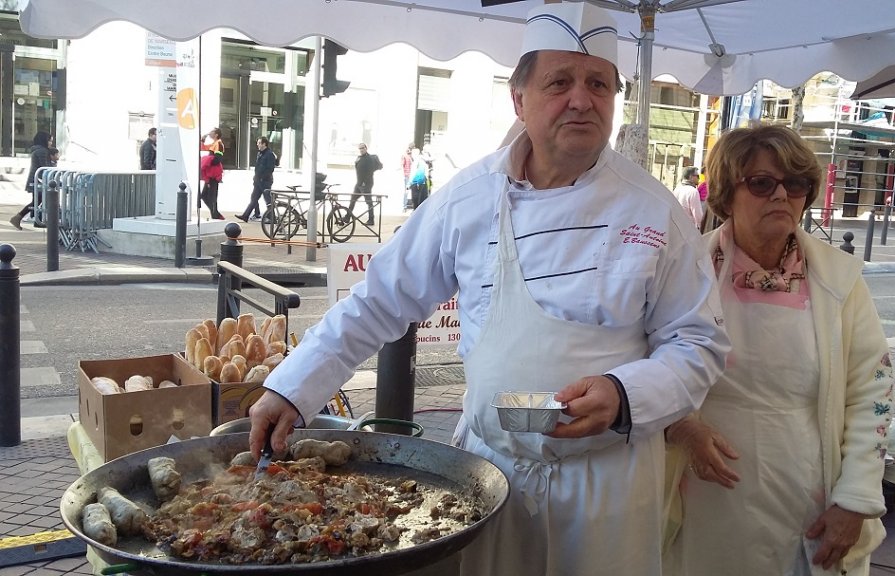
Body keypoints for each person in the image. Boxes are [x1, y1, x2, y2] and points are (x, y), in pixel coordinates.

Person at [247, 3, 729, 575]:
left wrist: (626, 393)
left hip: (608, 485)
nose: (582, 98)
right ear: (518, 99)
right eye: (560, 82)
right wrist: (293, 389)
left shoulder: (655, 211)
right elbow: (377, 301)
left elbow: (698, 343)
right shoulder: (468, 198)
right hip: (489, 471)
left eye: (598, 83)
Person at [663, 124, 892, 575]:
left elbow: (873, 391)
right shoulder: (683, 273)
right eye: (762, 183)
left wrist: (855, 499)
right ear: (727, 194)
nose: (781, 196)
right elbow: (648, 364)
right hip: (708, 499)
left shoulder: (839, 283)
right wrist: (682, 427)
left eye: (796, 184)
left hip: (808, 498)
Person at [9, 131, 53, 230]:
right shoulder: (42, 151)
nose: (51, 143)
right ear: (45, 140)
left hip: (36, 180)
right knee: (38, 201)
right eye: (50, 141)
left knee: (37, 201)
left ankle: (33, 219)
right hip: (39, 181)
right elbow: (45, 167)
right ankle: (20, 217)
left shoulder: (38, 150)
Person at [237, 136, 277, 223]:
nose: (257, 145)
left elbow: (270, 169)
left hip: (265, 181)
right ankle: (245, 216)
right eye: (257, 143)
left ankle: (272, 218)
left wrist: (262, 177)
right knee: (254, 198)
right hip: (258, 181)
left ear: (264, 144)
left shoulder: (269, 154)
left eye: (259, 143)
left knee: (268, 199)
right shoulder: (260, 153)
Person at [348, 142, 382, 226]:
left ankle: (371, 219)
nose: (361, 150)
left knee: (368, 201)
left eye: (363, 148)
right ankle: (347, 217)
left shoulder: (369, 158)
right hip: (359, 183)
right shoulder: (359, 158)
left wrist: (364, 183)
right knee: (352, 200)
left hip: (366, 184)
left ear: (366, 148)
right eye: (360, 148)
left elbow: (369, 172)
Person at [199, 149, 225, 220]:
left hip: (212, 180)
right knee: (210, 198)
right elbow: (220, 172)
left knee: (211, 198)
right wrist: (208, 181)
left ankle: (215, 214)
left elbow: (220, 172)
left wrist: (208, 181)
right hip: (212, 180)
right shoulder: (210, 160)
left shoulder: (210, 160)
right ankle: (215, 213)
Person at [400, 143, 414, 210]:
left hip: (411, 175)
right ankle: (404, 206)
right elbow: (402, 165)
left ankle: (405, 206)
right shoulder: (406, 156)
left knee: (409, 190)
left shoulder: (412, 156)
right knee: (407, 190)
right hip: (408, 175)